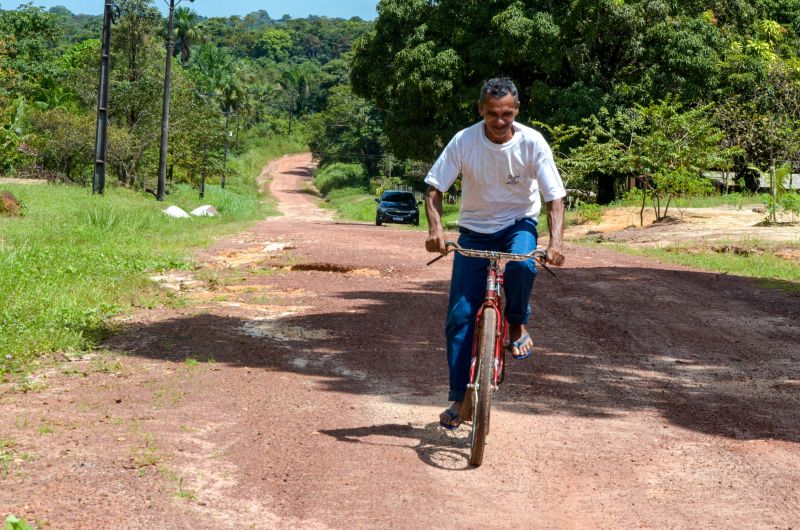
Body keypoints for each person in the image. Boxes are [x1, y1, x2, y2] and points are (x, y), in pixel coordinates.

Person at [424, 77, 567, 429]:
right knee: (459, 316)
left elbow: (554, 198)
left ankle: (517, 324)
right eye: (492, 114)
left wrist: (556, 243)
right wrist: (435, 230)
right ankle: (461, 398)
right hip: (473, 232)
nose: (500, 121)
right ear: (481, 110)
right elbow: (433, 188)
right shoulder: (464, 140)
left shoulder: (533, 142)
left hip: (518, 224)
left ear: (516, 111)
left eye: (506, 113)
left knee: (524, 267)